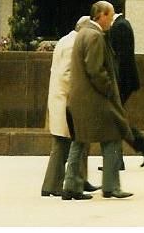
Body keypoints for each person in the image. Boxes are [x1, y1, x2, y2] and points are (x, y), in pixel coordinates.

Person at [62, 1, 133, 200]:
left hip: (81, 99)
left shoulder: (83, 33)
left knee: (80, 141)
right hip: (95, 99)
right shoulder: (94, 36)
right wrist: (109, 89)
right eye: (109, 16)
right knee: (112, 137)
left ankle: (71, 185)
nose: (111, 20)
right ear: (100, 15)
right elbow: (95, 70)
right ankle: (111, 186)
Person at [41, 16, 100, 197]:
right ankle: (52, 185)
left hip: (61, 98)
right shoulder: (73, 44)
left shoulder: (65, 40)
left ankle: (79, 179)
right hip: (67, 99)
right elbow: (67, 73)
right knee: (62, 144)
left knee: (75, 141)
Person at [102, 0, 144, 168]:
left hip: (122, 81)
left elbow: (120, 59)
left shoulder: (120, 26)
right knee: (115, 118)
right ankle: (124, 156)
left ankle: (139, 147)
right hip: (124, 80)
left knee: (114, 118)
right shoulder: (121, 24)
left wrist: (113, 84)